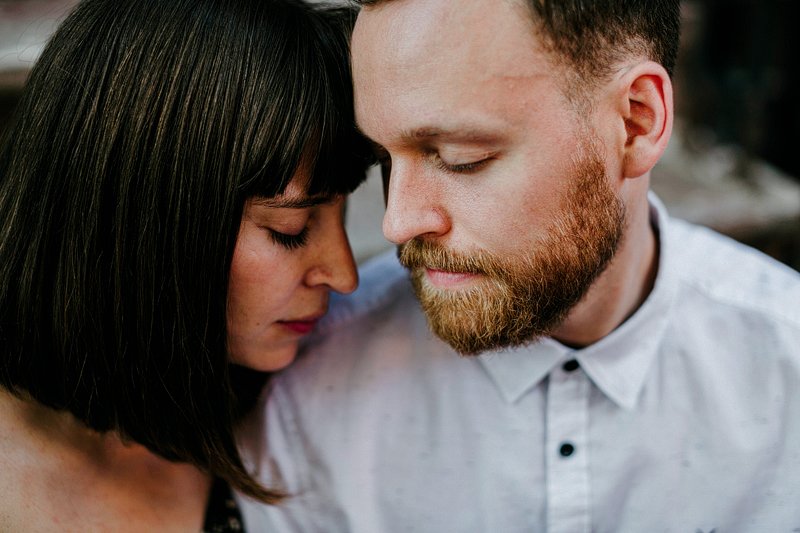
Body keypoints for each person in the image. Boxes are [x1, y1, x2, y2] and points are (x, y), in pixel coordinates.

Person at [244, 0, 800, 531]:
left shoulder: (786, 368)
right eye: (384, 162)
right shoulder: (309, 397)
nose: (398, 222)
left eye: (463, 159)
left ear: (636, 122)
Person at [0, 0, 370, 530]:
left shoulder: (286, 407)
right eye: (289, 231)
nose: (343, 273)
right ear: (141, 223)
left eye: (343, 209)